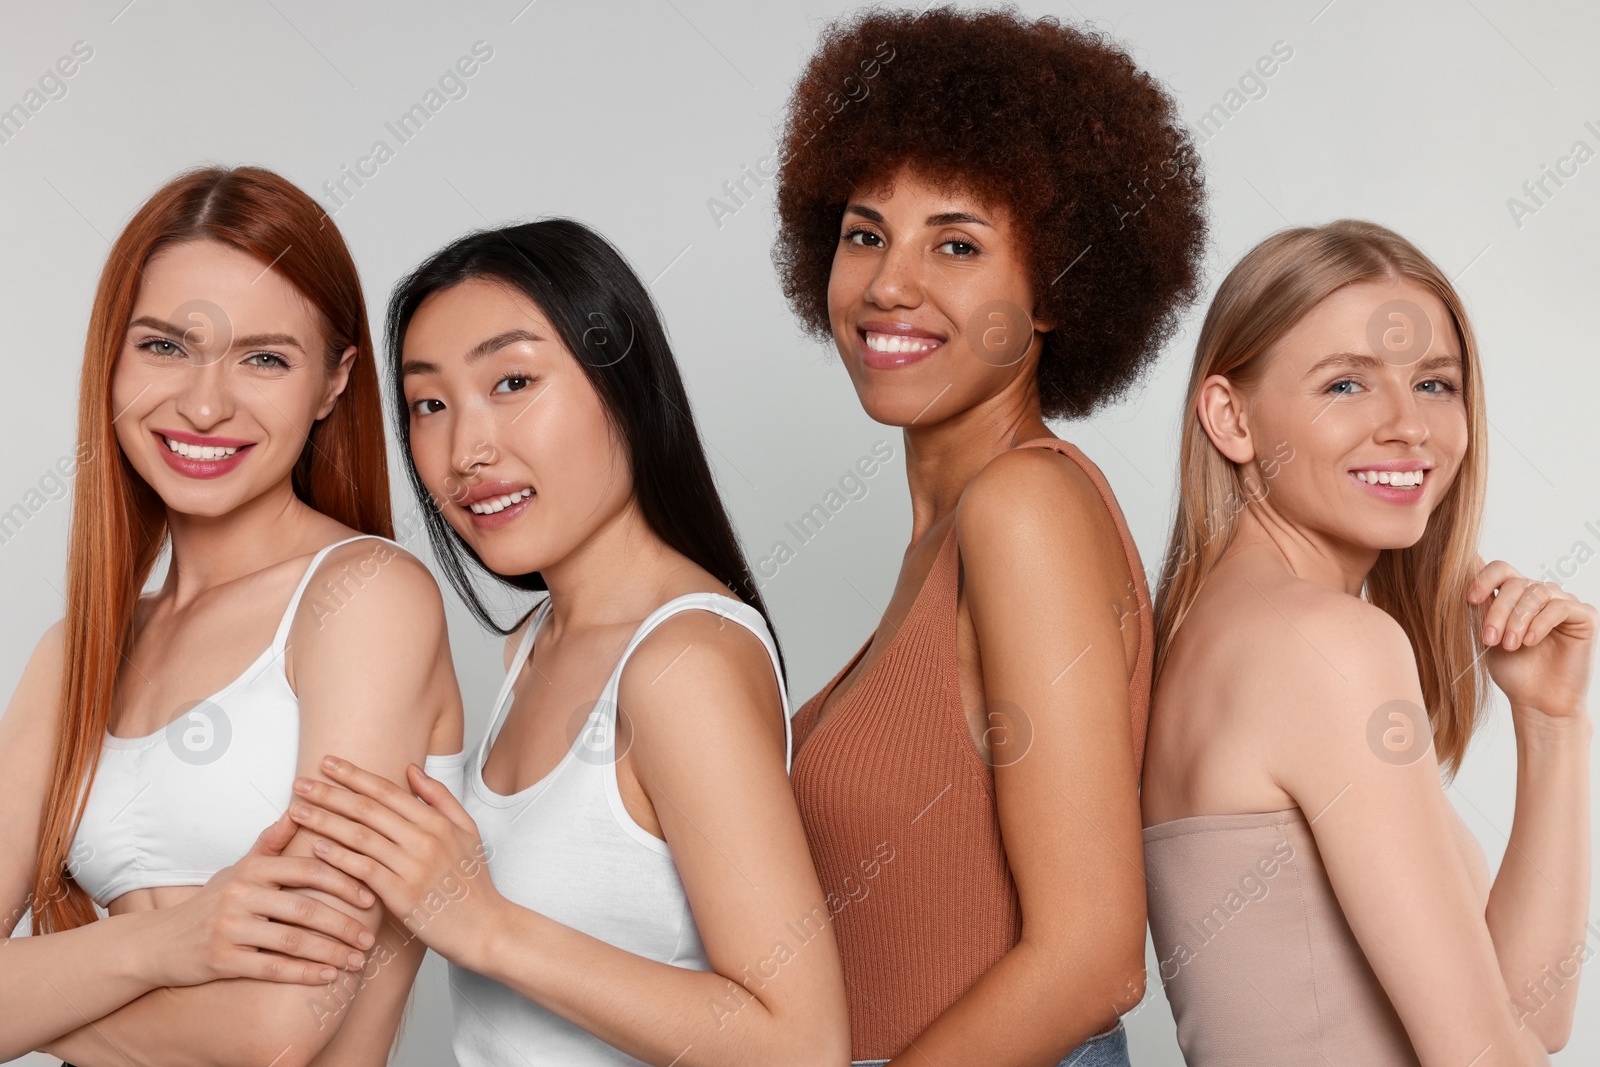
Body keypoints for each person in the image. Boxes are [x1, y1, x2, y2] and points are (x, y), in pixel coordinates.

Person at [285, 218, 851, 1066]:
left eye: (512, 381)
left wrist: (487, 927)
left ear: (623, 383)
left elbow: (801, 1044)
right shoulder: (532, 644)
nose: (467, 451)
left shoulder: (681, 663)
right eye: (429, 404)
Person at [771, 7, 1207, 1065]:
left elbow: (1093, 957)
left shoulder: (1025, 510)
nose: (887, 284)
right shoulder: (955, 528)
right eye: (864, 232)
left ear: (1058, 285)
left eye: (955, 244)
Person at [0, 165, 467, 1067]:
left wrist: (32, 991)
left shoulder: (363, 596)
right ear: (112, 357)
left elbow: (277, 1029)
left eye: (264, 357)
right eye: (165, 346)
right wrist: (160, 946)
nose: (205, 403)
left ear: (334, 381)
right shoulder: (78, 653)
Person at [1141, 219, 1594, 1065]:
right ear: (1230, 417)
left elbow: (1531, 1017)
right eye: (1346, 385)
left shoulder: (1218, 631)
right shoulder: (1327, 645)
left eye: (1434, 383)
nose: (1409, 426)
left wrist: (1552, 722)